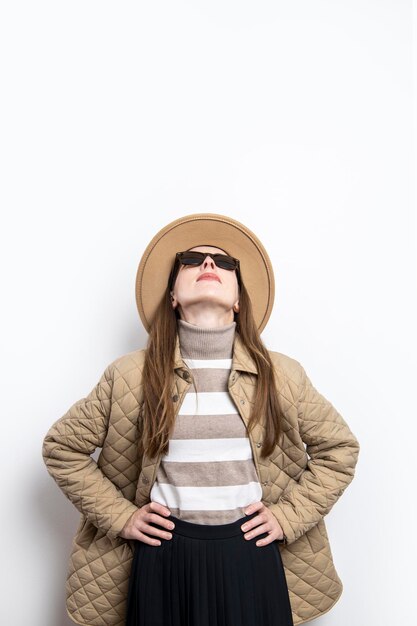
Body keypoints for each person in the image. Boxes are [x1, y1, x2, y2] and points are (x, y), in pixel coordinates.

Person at [42, 213, 360, 626]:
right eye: (191, 260)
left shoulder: (282, 375)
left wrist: (287, 517)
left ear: (239, 299)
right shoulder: (128, 375)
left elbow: (340, 450)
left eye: (224, 263)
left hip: (252, 555)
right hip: (162, 557)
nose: (209, 265)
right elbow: (61, 447)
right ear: (172, 295)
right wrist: (122, 517)